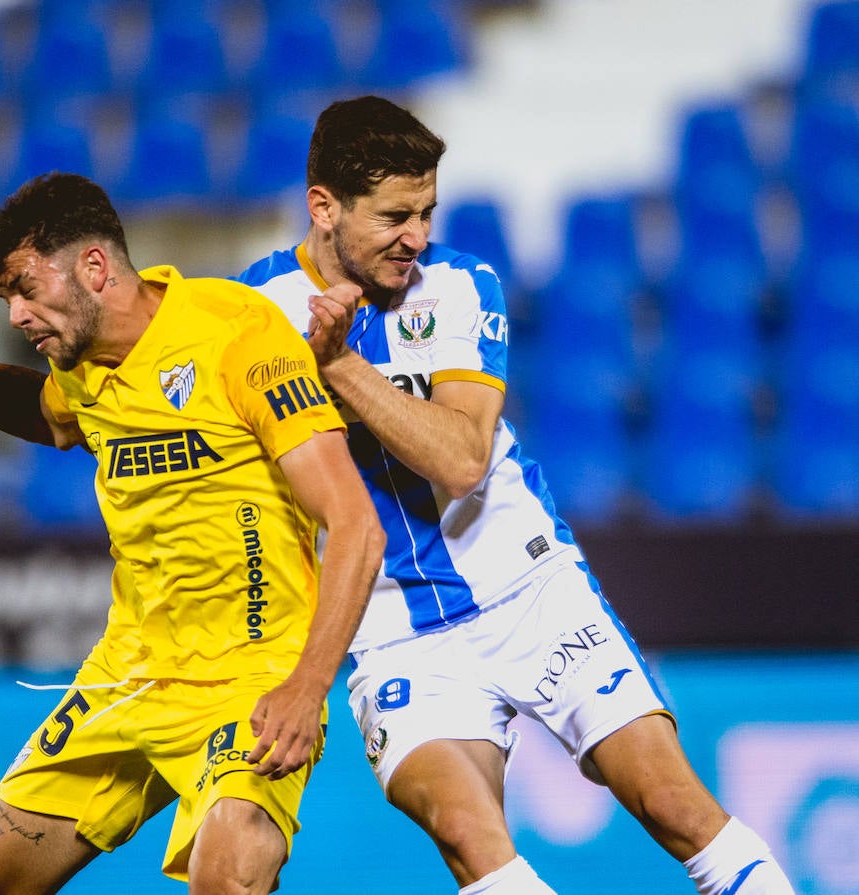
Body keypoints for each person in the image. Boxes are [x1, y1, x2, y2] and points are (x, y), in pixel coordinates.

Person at [236, 95, 796, 895]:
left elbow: (462, 459)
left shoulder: (462, 286)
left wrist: (338, 367)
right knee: (473, 841)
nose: (418, 237)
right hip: (397, 633)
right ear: (323, 207)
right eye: (396, 216)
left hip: (527, 590)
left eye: (428, 211)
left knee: (676, 806)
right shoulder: (249, 317)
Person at [0, 171, 385, 894]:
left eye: (24, 286)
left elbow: (357, 525)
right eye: (6, 299)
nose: (16, 315)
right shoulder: (80, 365)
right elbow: (50, 417)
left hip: (251, 676)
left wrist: (307, 688)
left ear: (94, 266)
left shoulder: (237, 334)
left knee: (226, 876)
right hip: (129, 669)